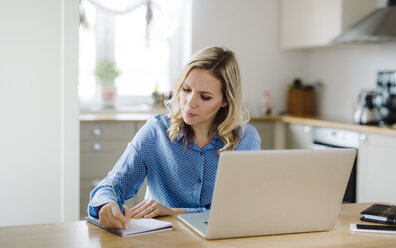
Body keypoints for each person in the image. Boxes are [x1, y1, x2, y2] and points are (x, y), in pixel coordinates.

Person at [88, 46, 261, 229]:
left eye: (205, 97)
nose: (190, 103)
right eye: (186, 89)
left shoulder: (245, 140)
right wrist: (105, 205)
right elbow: (112, 184)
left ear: (225, 100)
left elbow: (245, 208)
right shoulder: (156, 132)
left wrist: (177, 212)